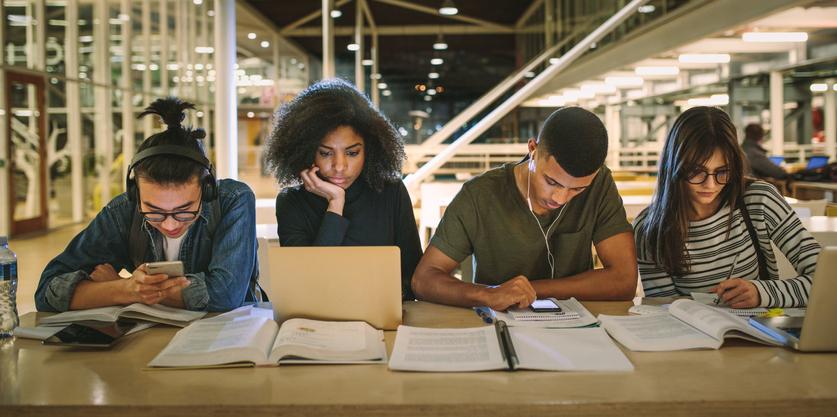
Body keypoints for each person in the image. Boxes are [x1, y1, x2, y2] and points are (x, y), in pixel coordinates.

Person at [35, 98, 260, 312]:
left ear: (207, 188)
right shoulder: (123, 210)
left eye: (184, 211)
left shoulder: (233, 200)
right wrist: (125, 289)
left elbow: (225, 296)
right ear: (135, 192)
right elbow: (47, 292)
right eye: (154, 212)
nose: (170, 225)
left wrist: (117, 287)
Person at [411, 107, 637, 311]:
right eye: (551, 182)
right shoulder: (479, 196)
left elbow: (624, 280)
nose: (560, 198)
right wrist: (488, 294)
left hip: (576, 328)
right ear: (533, 150)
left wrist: (531, 290)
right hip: (500, 326)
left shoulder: (600, 184)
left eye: (577, 190)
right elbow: (424, 280)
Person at [634, 107, 820, 308]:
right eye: (697, 172)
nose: (711, 185)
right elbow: (666, 309)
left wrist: (762, 293)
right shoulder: (649, 228)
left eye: (722, 172)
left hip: (761, 334)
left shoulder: (759, 200)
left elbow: (828, 280)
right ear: (674, 167)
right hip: (692, 337)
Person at [264, 78, 422, 300]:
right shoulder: (291, 202)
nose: (339, 166)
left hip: (382, 319)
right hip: (318, 322)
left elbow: (413, 277)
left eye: (352, 152)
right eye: (326, 153)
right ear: (307, 152)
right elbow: (308, 284)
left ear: (370, 150)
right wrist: (335, 203)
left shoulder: (391, 192)